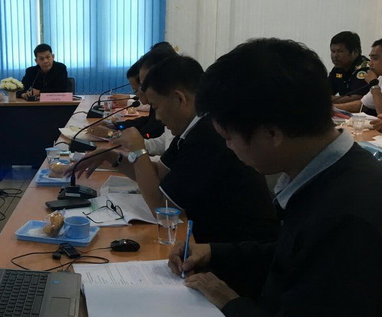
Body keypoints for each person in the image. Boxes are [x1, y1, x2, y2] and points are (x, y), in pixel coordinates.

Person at [169, 38, 382, 317]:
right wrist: (215, 252)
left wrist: (230, 301)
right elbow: (298, 254)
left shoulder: (350, 218)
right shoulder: (331, 173)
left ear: (272, 133)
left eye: (229, 138)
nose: (229, 148)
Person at [74, 54, 277, 244]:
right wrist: (112, 157)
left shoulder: (207, 136)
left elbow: (162, 209)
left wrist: (138, 149)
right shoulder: (191, 130)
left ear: (180, 99)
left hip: (232, 249)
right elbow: (156, 174)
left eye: (156, 107)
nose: (157, 117)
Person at [328, 31, 371, 107]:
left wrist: (326, 99)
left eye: (340, 51)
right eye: (333, 51)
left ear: (355, 52)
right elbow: (325, 90)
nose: (335, 56)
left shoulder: (364, 68)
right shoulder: (338, 68)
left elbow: (357, 98)